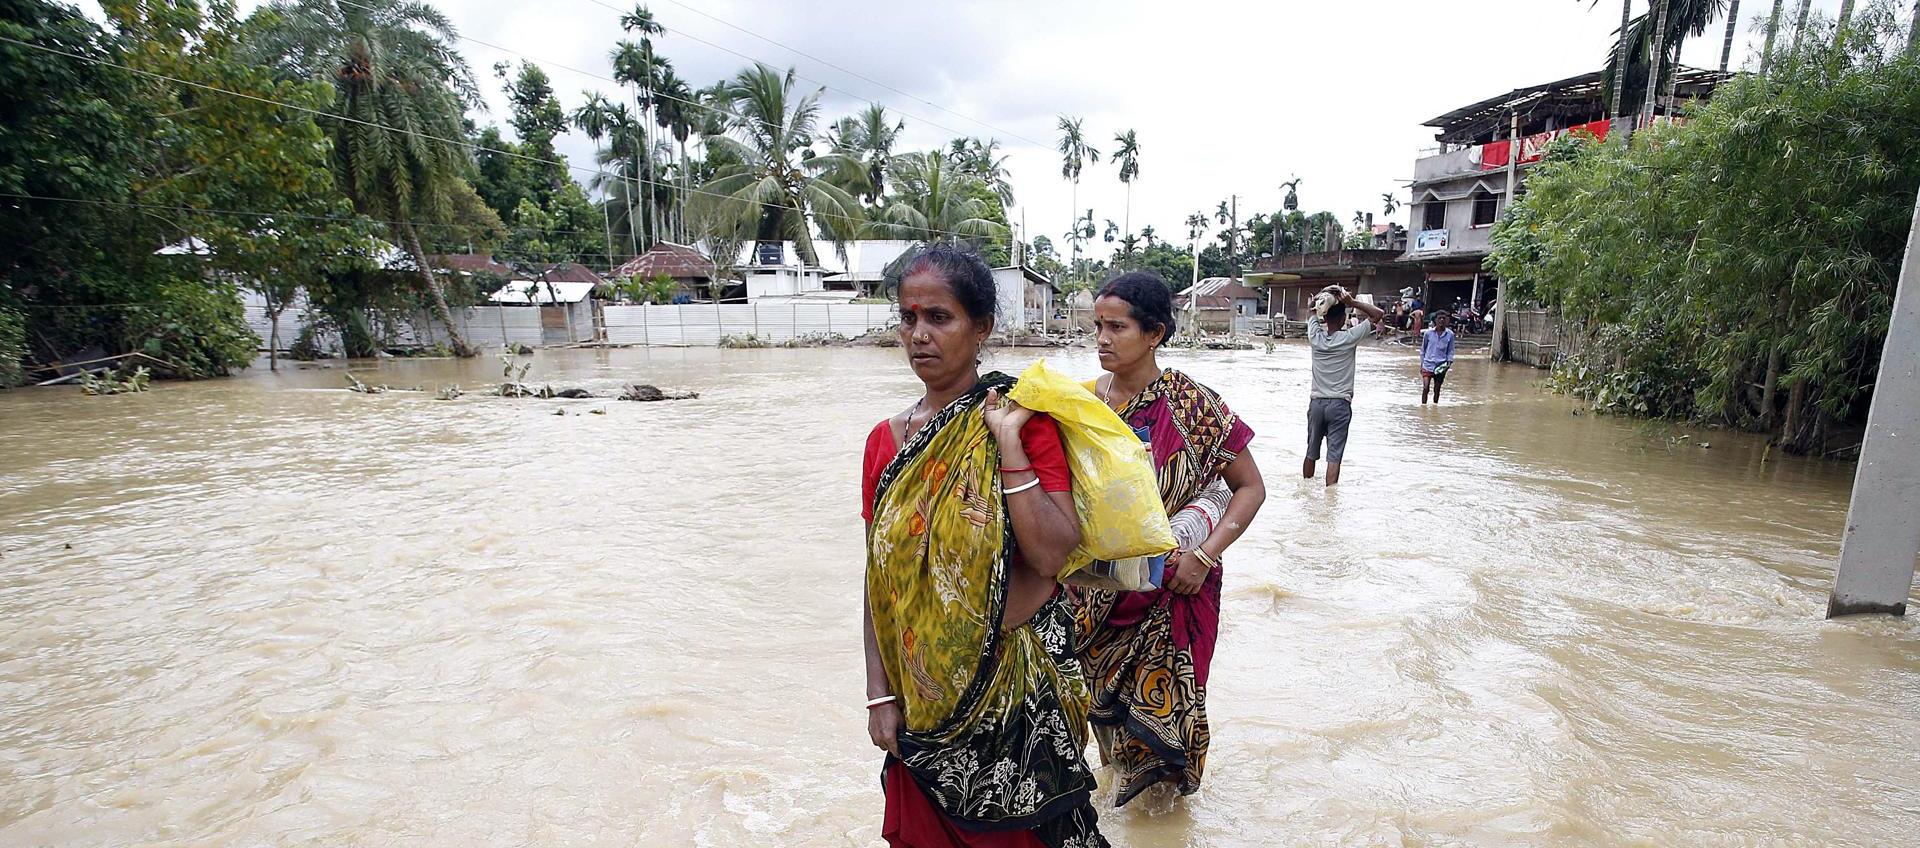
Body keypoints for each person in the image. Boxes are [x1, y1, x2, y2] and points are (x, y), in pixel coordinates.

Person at [860, 244, 1109, 848]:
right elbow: (880, 582)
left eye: (939, 317)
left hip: (1011, 697)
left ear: (982, 329)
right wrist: (879, 693)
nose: (919, 334)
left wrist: (1010, 446)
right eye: (908, 318)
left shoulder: (1026, 421)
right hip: (920, 701)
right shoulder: (884, 444)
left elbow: (1052, 557)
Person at [1072, 272, 1266, 809]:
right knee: (1103, 725)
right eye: (1098, 326)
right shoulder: (1081, 406)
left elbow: (1250, 488)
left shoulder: (1194, 407)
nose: (1102, 339)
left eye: (1117, 327)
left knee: (1164, 738)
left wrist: (1204, 556)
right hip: (1094, 598)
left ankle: (1164, 826)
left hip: (1176, 589)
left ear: (1154, 333)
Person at [1304, 285, 1383, 487]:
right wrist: (1352, 302)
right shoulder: (1349, 338)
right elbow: (1378, 315)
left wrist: (1321, 296)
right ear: (1343, 319)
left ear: (1325, 318)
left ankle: (1305, 489)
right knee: (1334, 457)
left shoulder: (1315, 338)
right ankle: (1330, 497)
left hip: (1317, 404)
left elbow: (1311, 310)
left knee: (1311, 452)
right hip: (1339, 405)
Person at [1420, 309, 1456, 405]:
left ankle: (1435, 405)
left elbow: (1450, 350)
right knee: (1425, 388)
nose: (1441, 320)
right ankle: (1423, 407)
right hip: (1428, 364)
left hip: (1441, 365)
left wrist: (1449, 362)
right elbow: (1423, 349)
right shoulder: (1428, 333)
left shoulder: (1450, 335)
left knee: (1437, 388)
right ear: (1435, 320)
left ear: (1447, 320)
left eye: (1444, 318)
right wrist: (1422, 364)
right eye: (1439, 318)